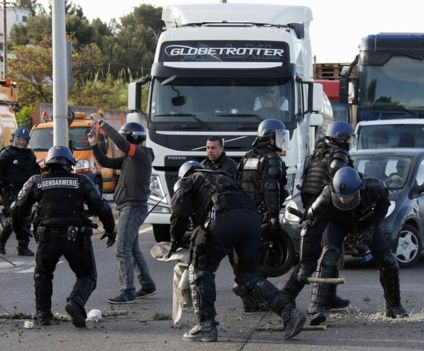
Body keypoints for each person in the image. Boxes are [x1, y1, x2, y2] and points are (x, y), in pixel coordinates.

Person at [168, 169, 306, 342]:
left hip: (223, 217)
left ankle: (206, 327)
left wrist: (175, 239)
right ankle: (290, 313)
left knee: (201, 269)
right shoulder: (223, 178)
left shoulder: (187, 181)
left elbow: (179, 212)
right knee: (248, 276)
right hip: (251, 219)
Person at [12, 146, 116, 327]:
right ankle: (75, 302)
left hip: (46, 237)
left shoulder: (36, 181)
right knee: (87, 276)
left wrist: (20, 233)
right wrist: (110, 230)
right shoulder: (81, 181)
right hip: (75, 237)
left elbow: (17, 208)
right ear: (69, 164)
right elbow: (104, 208)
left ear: (48, 164)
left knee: (43, 275)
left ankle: (43, 315)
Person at [304, 167, 409, 325]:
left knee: (389, 261)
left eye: (348, 197)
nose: (344, 201)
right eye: (340, 198)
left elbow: (383, 207)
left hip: (364, 223)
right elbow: (308, 224)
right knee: (328, 257)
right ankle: (315, 307)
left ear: (360, 189)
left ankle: (394, 306)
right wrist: (305, 263)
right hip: (336, 225)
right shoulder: (326, 195)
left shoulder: (375, 187)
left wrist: (371, 228)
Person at [282, 121, 353, 309]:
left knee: (330, 250)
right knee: (310, 259)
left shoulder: (318, 153)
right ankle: (287, 296)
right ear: (342, 138)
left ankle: (329, 296)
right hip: (325, 209)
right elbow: (338, 187)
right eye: (349, 138)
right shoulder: (339, 155)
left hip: (313, 207)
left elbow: (306, 183)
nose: (350, 141)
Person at [88, 118, 157, 304]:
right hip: (131, 206)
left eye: (125, 137)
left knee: (123, 249)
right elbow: (104, 161)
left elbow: (121, 142)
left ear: (131, 138)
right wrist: (94, 144)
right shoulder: (130, 158)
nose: (121, 144)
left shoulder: (140, 154)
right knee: (132, 249)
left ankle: (127, 291)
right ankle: (148, 284)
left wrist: (102, 124)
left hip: (133, 207)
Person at [236, 119, 289, 312]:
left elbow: (237, 183)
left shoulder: (247, 157)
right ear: (270, 137)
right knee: (263, 258)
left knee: (246, 257)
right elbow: (271, 189)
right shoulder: (271, 159)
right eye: (279, 136)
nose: (281, 140)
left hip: (244, 213)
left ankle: (249, 302)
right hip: (262, 214)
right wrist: (273, 217)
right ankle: (257, 297)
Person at [0, 127, 39, 256]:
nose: (22, 142)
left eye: (24, 140)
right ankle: (1, 243)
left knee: (26, 219)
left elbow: (36, 173)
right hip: (10, 190)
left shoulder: (30, 154)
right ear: (15, 138)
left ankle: (23, 247)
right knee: (13, 218)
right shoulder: (6, 153)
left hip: (26, 191)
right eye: (20, 139)